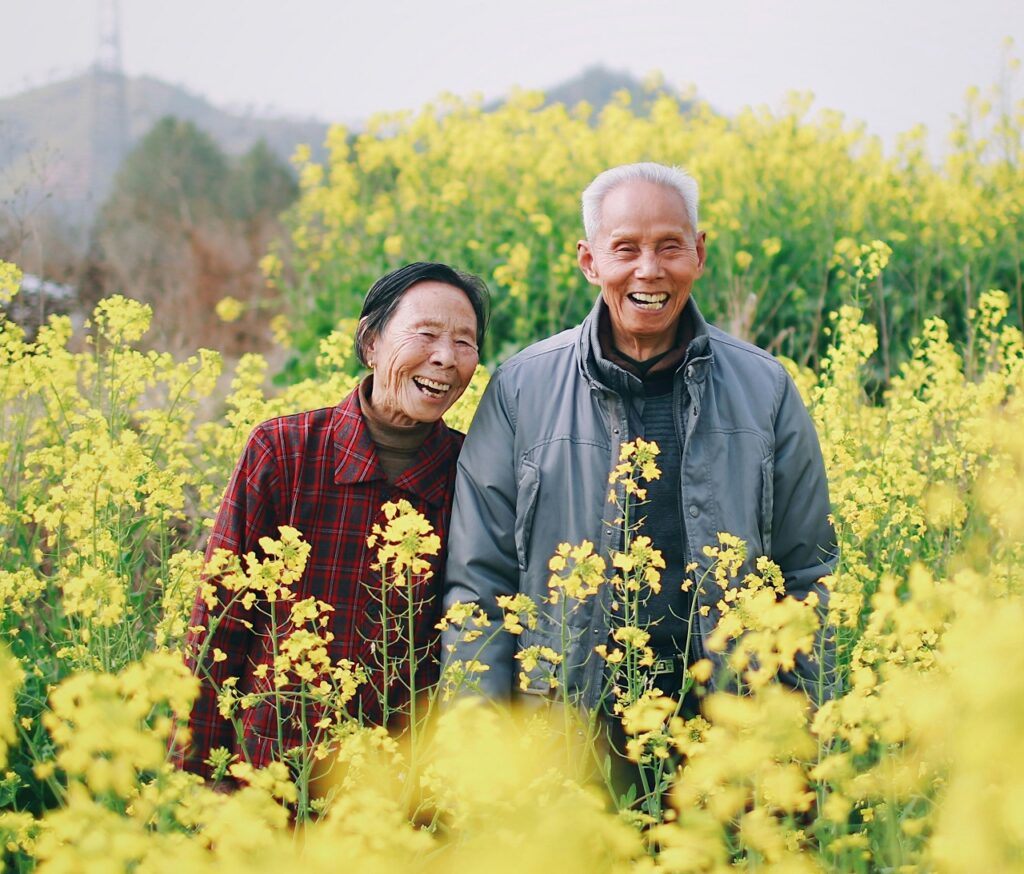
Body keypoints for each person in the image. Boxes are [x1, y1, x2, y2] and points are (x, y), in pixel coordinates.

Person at [442, 162, 835, 717]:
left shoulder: (765, 388)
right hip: (567, 730)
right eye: (625, 248)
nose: (648, 271)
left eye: (670, 247)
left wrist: (797, 736)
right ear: (589, 260)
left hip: (729, 728)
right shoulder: (521, 389)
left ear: (699, 254)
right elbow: (480, 582)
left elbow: (808, 573)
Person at [180, 261, 489, 780]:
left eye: (465, 342)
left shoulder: (475, 472)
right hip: (270, 776)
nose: (445, 358)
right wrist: (188, 784)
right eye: (427, 334)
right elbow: (218, 626)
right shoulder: (284, 452)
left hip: (395, 796)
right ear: (370, 343)